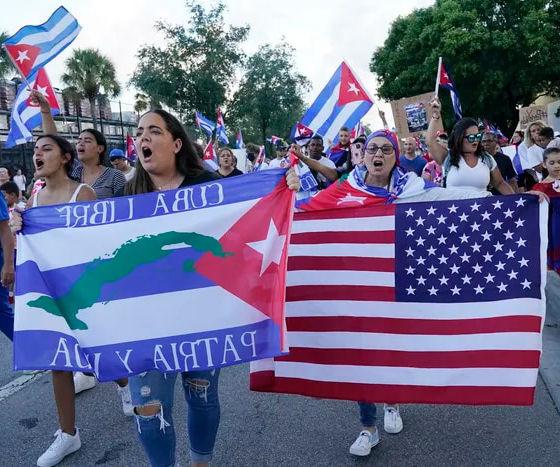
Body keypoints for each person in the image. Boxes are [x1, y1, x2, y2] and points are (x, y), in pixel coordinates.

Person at [295, 129, 546, 457]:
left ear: (395, 155)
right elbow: (304, 212)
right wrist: (284, 192)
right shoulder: (345, 189)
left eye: (386, 149)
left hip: (399, 284)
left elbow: (452, 199)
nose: (379, 154)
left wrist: (515, 203)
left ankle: (392, 403)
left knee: (391, 348)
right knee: (362, 355)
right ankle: (366, 428)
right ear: (363, 154)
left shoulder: (411, 188)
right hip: (361, 289)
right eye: (373, 148)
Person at [126, 108, 300, 466]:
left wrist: (286, 187)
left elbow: (250, 217)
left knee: (201, 395)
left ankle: (200, 462)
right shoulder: (127, 193)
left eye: (153, 131)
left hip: (201, 313)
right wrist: (29, 224)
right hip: (146, 319)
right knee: (147, 406)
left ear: (176, 143)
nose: (143, 137)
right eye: (139, 131)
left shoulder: (209, 188)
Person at [10, 134, 97, 467]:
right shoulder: (32, 202)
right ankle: (68, 433)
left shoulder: (83, 194)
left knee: (98, 348)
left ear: (64, 157)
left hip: (86, 291)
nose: (37, 154)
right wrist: (21, 226)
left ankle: (123, 386)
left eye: (46, 148)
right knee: (58, 360)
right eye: (35, 150)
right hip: (51, 291)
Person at [426, 97, 514, 195]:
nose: (476, 140)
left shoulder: (487, 158)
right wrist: (436, 115)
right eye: (471, 137)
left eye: (478, 136)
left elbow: (500, 183)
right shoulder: (448, 157)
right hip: (455, 209)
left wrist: (517, 202)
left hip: (482, 208)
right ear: (459, 139)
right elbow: (430, 142)